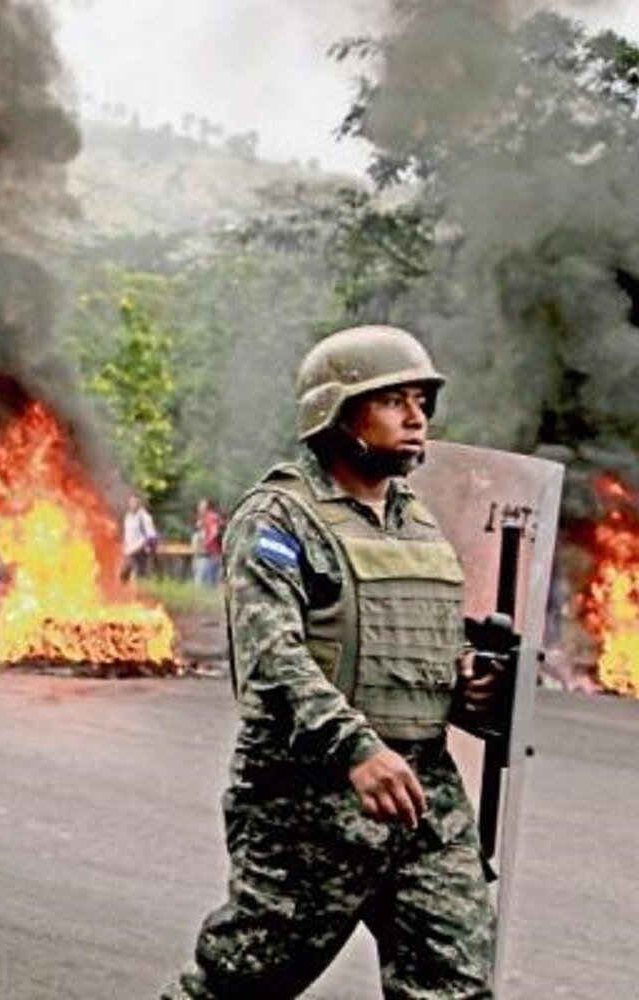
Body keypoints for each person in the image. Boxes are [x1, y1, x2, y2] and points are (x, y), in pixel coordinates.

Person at [162, 326, 498, 999]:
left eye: (420, 401)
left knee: (454, 986)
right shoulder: (279, 519)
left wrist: (464, 681)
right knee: (243, 983)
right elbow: (271, 658)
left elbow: (406, 634)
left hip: (420, 794)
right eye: (391, 401)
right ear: (336, 414)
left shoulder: (416, 521)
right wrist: (353, 748)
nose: (415, 417)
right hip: (309, 797)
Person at [121, 494, 158, 582]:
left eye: (135, 502)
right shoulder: (128, 516)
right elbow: (128, 534)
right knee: (127, 576)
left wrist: (141, 547)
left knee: (132, 574)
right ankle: (129, 593)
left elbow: (151, 535)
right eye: (131, 502)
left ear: (139, 504)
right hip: (129, 550)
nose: (133, 504)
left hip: (139, 551)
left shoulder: (144, 517)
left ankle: (138, 592)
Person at [190, 498, 223, 587]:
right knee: (208, 580)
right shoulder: (203, 518)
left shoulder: (211, 518)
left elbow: (214, 533)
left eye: (202, 507)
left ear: (207, 508)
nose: (199, 509)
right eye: (199, 507)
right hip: (208, 553)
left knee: (205, 581)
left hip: (210, 553)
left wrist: (205, 544)